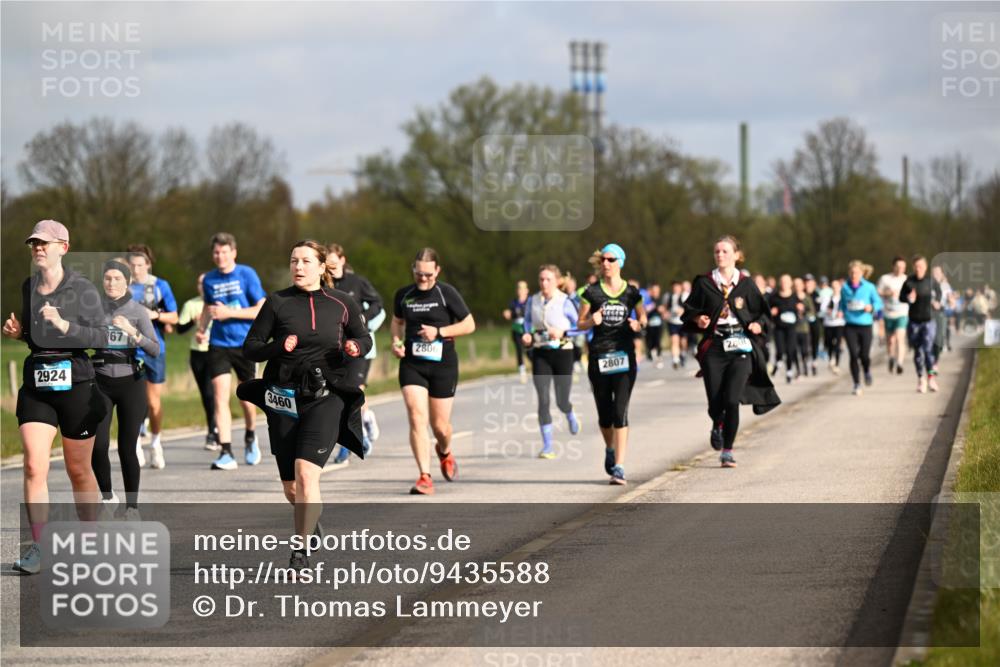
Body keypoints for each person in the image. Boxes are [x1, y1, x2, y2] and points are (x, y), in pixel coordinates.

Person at [238, 241, 372, 569]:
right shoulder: (277, 302)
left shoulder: (342, 303)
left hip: (325, 398)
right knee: (291, 486)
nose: (298, 267)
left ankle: (299, 552)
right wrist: (277, 347)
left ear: (322, 266)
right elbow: (251, 347)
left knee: (306, 474)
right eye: (293, 260)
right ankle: (310, 525)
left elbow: (365, 338)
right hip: (283, 399)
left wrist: (355, 346)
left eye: (306, 261)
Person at [4, 220, 107, 574]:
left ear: (63, 246)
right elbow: (36, 338)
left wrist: (66, 326)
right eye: (33, 243)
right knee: (34, 465)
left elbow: (101, 337)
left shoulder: (83, 290)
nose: (37, 248)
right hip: (37, 384)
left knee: (79, 470)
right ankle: (39, 546)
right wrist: (19, 335)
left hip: (76, 385)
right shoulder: (28, 286)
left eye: (44, 243)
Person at [682, 236, 779, 468]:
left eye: (725, 251)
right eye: (717, 251)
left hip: (741, 344)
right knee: (716, 401)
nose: (720, 255)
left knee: (732, 399)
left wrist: (758, 325)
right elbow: (687, 312)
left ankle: (727, 450)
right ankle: (718, 423)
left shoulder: (746, 284)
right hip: (715, 346)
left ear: (737, 255)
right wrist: (699, 318)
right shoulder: (704, 283)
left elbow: (764, 314)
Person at [391, 248, 476, 495]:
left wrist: (439, 332)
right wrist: (396, 343)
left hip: (443, 364)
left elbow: (469, 324)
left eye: (428, 274)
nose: (423, 279)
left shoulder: (446, 293)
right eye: (419, 274)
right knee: (417, 416)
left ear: (437, 270)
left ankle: (445, 450)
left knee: (440, 427)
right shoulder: (403, 295)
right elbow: (397, 322)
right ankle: (424, 476)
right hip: (413, 364)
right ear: (413, 270)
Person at [90, 260, 158, 518]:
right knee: (98, 446)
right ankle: (107, 496)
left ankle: (132, 507)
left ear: (127, 281)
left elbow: (155, 348)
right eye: (107, 278)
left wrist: (132, 333)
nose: (111, 283)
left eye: (117, 278)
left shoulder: (138, 311)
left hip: (131, 383)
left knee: (127, 448)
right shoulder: (93, 311)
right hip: (100, 382)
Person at [577, 243, 646, 485]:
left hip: (625, 357)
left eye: (611, 259)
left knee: (620, 412)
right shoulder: (592, 292)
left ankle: (619, 466)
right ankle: (609, 447)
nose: (606, 263)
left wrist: (639, 324)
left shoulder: (632, 292)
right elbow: (580, 322)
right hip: (599, 357)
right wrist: (590, 321)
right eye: (604, 259)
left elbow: (643, 315)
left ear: (620, 263)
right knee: (605, 415)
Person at [197, 232, 267, 470]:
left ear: (233, 253)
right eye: (216, 252)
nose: (220, 256)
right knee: (220, 396)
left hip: (245, 343)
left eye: (225, 252)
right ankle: (226, 451)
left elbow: (261, 310)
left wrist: (230, 313)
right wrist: (202, 328)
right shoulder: (209, 280)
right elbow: (209, 307)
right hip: (218, 343)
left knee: (247, 398)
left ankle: (250, 435)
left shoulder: (247, 274)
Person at [325, 243, 386, 466]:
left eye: (334, 261)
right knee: (343, 397)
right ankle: (366, 419)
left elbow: (378, 303)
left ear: (342, 260)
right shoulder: (324, 285)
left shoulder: (357, 282)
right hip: (336, 349)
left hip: (360, 348)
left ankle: (348, 445)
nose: (331, 266)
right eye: (327, 262)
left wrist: (364, 320)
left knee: (352, 394)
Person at [125, 244, 178, 469]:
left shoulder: (159, 285)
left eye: (140, 265)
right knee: (132, 402)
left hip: (154, 350)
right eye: (132, 265)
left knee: (153, 403)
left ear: (148, 264)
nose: (136, 270)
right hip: (127, 350)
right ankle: (136, 444)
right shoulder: (121, 284)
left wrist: (154, 314)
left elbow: (174, 317)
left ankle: (156, 442)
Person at [521, 265, 582, 459]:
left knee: (561, 400)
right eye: (541, 280)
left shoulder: (565, 301)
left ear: (556, 281)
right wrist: (527, 335)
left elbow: (581, 326)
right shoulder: (533, 300)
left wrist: (564, 332)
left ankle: (569, 412)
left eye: (548, 279)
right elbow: (527, 323)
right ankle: (548, 446)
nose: (544, 283)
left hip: (563, 352)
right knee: (543, 400)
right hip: (541, 353)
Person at [177, 273, 218, 449]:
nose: (202, 286)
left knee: (212, 393)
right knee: (206, 394)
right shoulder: (191, 305)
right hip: (197, 354)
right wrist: (193, 323)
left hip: (216, 352)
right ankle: (213, 427)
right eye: (199, 283)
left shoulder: (218, 303)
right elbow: (179, 329)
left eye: (205, 283)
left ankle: (213, 431)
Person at [900, 255, 943, 393]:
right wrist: (908, 298)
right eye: (916, 266)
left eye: (921, 266)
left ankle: (931, 378)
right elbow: (901, 297)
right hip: (914, 322)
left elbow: (939, 293)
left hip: (929, 321)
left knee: (928, 349)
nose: (918, 269)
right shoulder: (909, 282)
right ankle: (921, 379)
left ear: (925, 267)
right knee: (918, 351)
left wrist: (937, 302)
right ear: (913, 267)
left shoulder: (931, 281)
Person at [841, 260, 883, 396]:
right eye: (852, 272)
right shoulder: (844, 288)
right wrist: (840, 311)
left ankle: (866, 371)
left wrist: (871, 307)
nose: (854, 275)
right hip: (850, 326)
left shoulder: (869, 287)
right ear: (849, 273)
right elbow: (842, 304)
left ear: (862, 273)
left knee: (864, 355)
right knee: (853, 354)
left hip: (865, 325)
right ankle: (856, 384)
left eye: (857, 272)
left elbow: (878, 302)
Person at [768, 274, 802, 384]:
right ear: (779, 283)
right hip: (779, 327)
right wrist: (772, 312)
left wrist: (801, 309)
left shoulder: (795, 297)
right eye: (782, 281)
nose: (784, 284)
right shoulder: (774, 296)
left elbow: (801, 311)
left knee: (790, 350)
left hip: (791, 328)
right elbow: (767, 310)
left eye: (787, 282)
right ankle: (777, 362)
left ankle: (789, 371)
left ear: (791, 283)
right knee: (780, 350)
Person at [877, 257, 909, 375]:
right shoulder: (885, 279)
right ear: (893, 266)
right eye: (898, 266)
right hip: (888, 313)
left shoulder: (907, 279)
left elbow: (912, 294)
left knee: (900, 338)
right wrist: (888, 293)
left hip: (902, 313)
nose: (900, 269)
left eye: (903, 267)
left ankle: (900, 363)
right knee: (890, 340)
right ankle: (891, 358)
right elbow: (877, 292)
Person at [502, 281, 530, 383]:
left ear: (527, 290)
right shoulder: (513, 302)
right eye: (519, 288)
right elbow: (509, 313)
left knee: (529, 350)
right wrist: (507, 314)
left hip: (528, 329)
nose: (521, 291)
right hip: (517, 329)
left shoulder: (530, 301)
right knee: (519, 349)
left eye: (523, 288)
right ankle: (522, 371)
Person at [820, 278, 846, 374]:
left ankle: (837, 364)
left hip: (839, 323)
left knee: (838, 343)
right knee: (829, 343)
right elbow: (822, 310)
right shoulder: (828, 298)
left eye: (837, 287)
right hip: (829, 324)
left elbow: (846, 309)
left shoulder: (843, 299)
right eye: (833, 287)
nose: (835, 289)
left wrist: (842, 313)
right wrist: (827, 311)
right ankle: (831, 359)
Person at [644, 283, 664, 367]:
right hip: (649, 324)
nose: (655, 292)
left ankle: (658, 357)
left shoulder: (661, 299)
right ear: (651, 291)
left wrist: (661, 309)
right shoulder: (648, 299)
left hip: (659, 324)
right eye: (654, 290)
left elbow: (663, 310)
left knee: (658, 341)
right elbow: (644, 310)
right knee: (650, 341)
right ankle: (652, 356)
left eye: (657, 290)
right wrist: (650, 307)